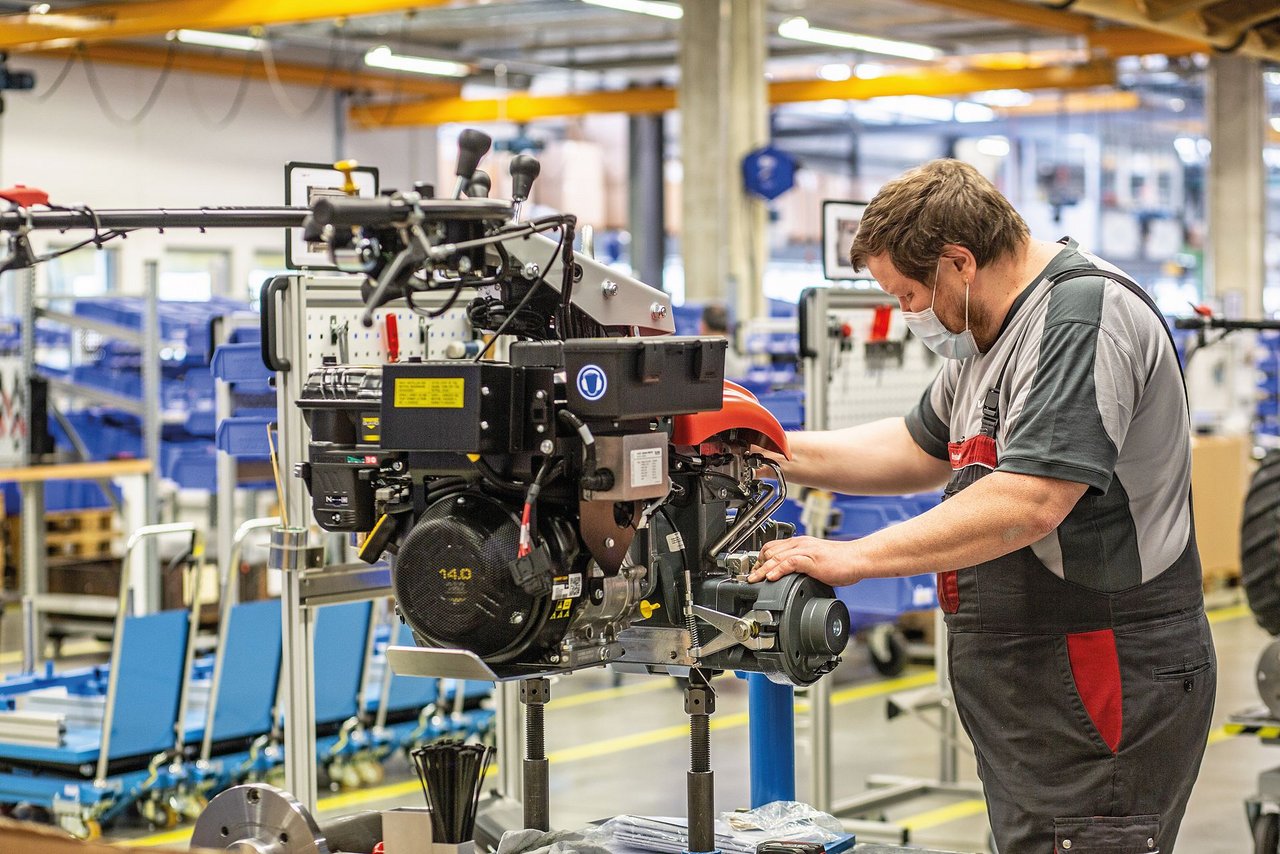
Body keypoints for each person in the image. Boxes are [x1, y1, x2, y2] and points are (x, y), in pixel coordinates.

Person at [747, 159, 1214, 853]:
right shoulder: (985, 336)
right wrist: (765, 445)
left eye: (906, 294)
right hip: (1041, 685)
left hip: (1102, 672)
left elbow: (1028, 501)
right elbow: (914, 446)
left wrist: (853, 557)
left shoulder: (1079, 318)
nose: (905, 315)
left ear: (958, 264)